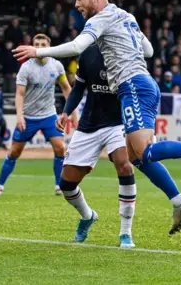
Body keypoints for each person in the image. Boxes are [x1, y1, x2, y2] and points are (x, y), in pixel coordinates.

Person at [12, 0, 181, 235]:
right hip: (142, 84)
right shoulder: (127, 16)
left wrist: (38, 51)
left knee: (145, 153)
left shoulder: (101, 18)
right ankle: (178, 201)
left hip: (133, 86)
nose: (76, 5)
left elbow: (77, 45)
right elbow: (148, 51)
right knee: (135, 158)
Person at [57, 44, 137, 248]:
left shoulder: (126, 50)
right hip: (89, 124)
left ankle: (125, 233)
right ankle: (87, 216)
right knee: (66, 184)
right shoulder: (88, 54)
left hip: (118, 122)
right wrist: (66, 112)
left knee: (125, 165)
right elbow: (78, 89)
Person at [0, 34, 79, 197]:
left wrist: (74, 113)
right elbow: (19, 94)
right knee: (15, 152)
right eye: (36, 44)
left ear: (49, 46)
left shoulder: (57, 66)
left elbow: (66, 88)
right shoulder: (26, 68)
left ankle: (59, 185)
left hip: (49, 115)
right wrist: (19, 116)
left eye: (43, 44)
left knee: (60, 148)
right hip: (29, 117)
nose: (39, 46)